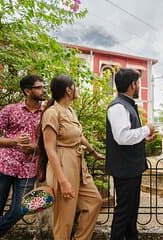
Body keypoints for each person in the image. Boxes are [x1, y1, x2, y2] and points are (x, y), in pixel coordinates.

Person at [0, 74, 47, 240]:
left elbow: (50, 142)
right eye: (40, 87)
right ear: (27, 91)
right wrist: (14, 141)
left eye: (44, 86)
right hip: (2, 166)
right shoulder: (10, 110)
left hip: (28, 170)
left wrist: (35, 148)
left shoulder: (47, 113)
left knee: (20, 209)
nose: (44, 90)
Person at [37, 74, 103, 240]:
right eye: (76, 85)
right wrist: (63, 181)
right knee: (64, 218)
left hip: (78, 163)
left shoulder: (70, 110)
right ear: (68, 90)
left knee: (94, 201)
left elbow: (78, 135)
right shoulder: (52, 113)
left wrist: (92, 151)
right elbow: (49, 149)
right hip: (62, 163)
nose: (78, 89)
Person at [106, 68, 156, 240]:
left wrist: (144, 136)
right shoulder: (118, 106)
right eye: (138, 83)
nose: (139, 86)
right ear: (132, 85)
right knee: (123, 213)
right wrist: (145, 129)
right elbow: (122, 137)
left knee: (130, 213)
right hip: (125, 169)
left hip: (130, 168)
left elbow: (128, 134)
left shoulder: (125, 104)